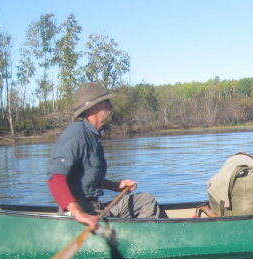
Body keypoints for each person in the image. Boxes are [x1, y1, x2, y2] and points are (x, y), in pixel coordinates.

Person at [47, 82, 166, 231]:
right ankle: (138, 241)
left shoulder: (93, 135)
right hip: (82, 213)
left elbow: (86, 179)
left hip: (96, 208)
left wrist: (116, 186)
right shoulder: (76, 133)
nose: (111, 106)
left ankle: (139, 238)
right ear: (95, 107)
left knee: (146, 200)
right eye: (108, 102)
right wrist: (78, 213)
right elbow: (55, 178)